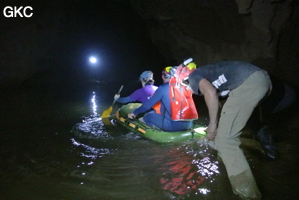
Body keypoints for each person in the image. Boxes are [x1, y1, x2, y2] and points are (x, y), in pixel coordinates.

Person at [185, 60, 272, 199]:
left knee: (226, 141)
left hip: (248, 82)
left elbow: (210, 93)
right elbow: (218, 102)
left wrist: (213, 123)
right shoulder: (211, 74)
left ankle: (248, 194)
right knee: (225, 133)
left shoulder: (193, 76)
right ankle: (226, 165)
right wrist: (216, 124)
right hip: (263, 81)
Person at [127, 66, 195, 132]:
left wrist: (135, 113)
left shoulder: (163, 87)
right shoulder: (185, 87)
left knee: (147, 116)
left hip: (172, 126)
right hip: (189, 124)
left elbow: (147, 105)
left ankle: (158, 131)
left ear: (163, 77)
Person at [247, 74, 297, 160]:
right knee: (255, 119)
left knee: (255, 120)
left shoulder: (251, 91)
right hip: (281, 89)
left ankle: (272, 155)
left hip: (285, 95)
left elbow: (254, 117)